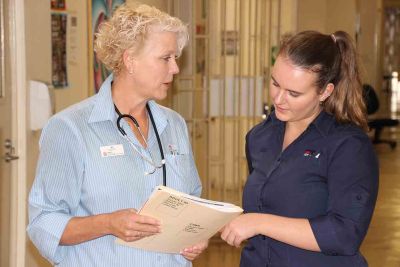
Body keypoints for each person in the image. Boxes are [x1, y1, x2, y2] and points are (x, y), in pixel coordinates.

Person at [27, 2, 208, 266]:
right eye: (165, 58)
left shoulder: (174, 125)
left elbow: (191, 201)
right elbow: (44, 222)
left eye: (175, 58)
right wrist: (108, 223)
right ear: (130, 60)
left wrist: (195, 235)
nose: (175, 69)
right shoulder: (70, 128)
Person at [220, 30, 379, 266]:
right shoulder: (259, 136)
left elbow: (344, 234)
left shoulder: (347, 146)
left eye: (294, 93)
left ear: (325, 92)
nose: (279, 99)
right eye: (275, 83)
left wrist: (259, 222)